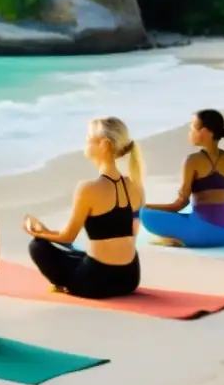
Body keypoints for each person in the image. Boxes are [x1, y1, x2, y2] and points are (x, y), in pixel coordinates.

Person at [24, 116, 144, 299]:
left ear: (104, 145)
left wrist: (38, 233)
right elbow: (124, 233)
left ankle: (65, 282)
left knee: (38, 246)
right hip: (129, 278)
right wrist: (48, 231)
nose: (85, 142)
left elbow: (68, 236)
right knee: (78, 254)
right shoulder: (135, 186)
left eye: (88, 138)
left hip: (96, 282)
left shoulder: (88, 188)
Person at [141, 109, 224, 248]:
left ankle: (179, 238)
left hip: (202, 233)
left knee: (144, 214)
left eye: (192, 128)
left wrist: (145, 206)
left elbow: (179, 205)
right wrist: (221, 191)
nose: (189, 133)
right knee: (190, 212)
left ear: (203, 132)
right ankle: (182, 234)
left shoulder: (192, 161)